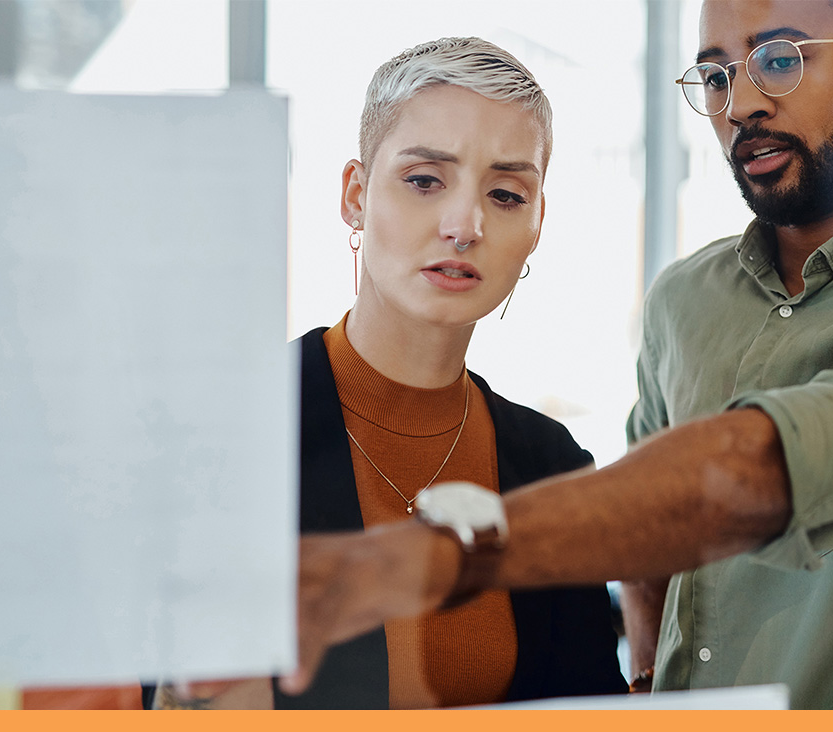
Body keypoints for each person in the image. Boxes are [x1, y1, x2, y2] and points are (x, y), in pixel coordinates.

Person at [280, 0, 833, 709]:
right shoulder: (684, 302)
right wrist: (644, 681)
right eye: (715, 75)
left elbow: (778, 467)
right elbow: (650, 548)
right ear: (356, 192)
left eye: (780, 59)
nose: (740, 101)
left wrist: (425, 557)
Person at [151, 37, 626, 709]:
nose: (464, 225)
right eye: (425, 180)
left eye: (506, 193)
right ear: (355, 195)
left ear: (538, 222)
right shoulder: (214, 435)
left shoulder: (553, 468)